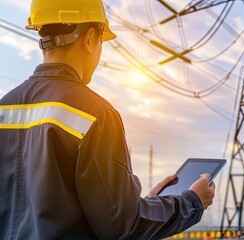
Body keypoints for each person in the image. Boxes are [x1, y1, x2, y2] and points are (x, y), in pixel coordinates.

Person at [0, 0, 216, 239]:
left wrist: (145, 203)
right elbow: (122, 225)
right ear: (91, 38)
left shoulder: (4, 106)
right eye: (102, 41)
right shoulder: (96, 113)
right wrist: (191, 202)